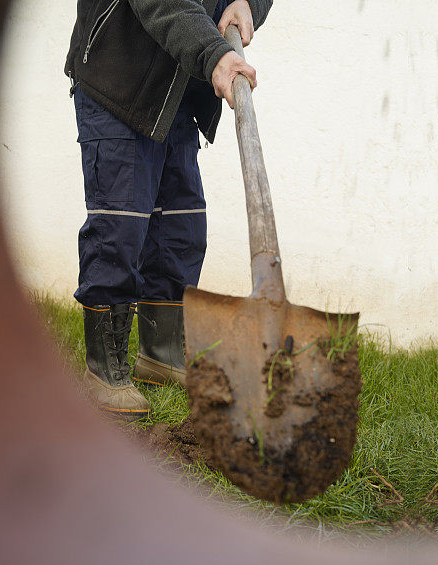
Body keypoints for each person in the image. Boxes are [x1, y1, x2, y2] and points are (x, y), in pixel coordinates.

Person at [65, 0, 273, 419]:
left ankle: (161, 354)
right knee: (120, 226)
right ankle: (105, 368)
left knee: (181, 227)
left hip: (179, 90)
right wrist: (215, 53)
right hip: (120, 74)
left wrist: (248, 2)